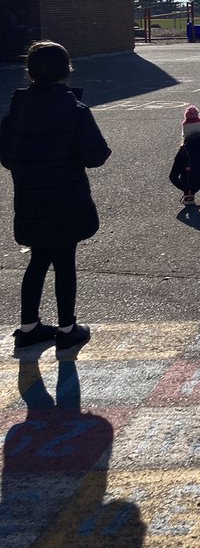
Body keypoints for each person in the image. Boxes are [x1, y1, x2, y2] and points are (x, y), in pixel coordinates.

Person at [1, 41, 110, 353]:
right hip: (66, 198)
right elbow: (96, 155)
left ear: (30, 73)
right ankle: (67, 328)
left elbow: (6, 156)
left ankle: (29, 326)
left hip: (30, 199)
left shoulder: (16, 111)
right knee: (64, 261)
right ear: (67, 71)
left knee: (38, 259)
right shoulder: (74, 111)